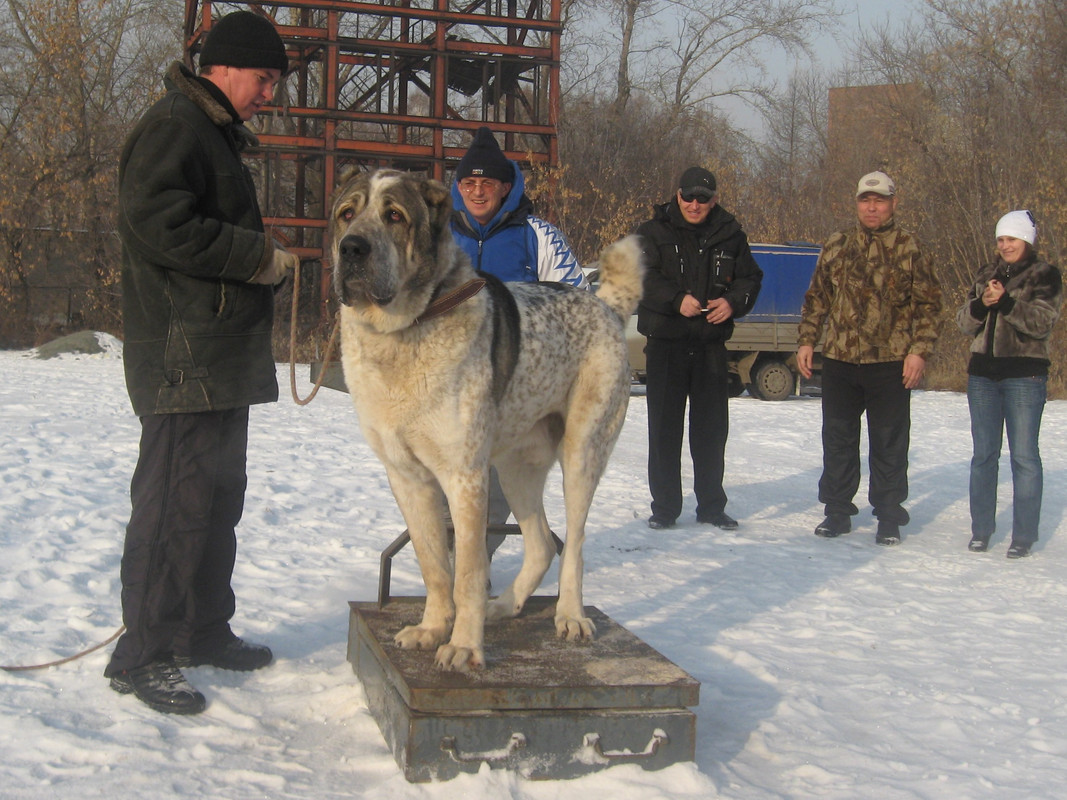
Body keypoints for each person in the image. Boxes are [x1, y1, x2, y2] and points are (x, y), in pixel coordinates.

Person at [104, 11, 299, 715]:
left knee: (216, 501)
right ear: (222, 67)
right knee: (170, 509)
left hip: (216, 356)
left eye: (273, 81)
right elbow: (156, 223)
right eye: (263, 78)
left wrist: (263, 263)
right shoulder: (174, 127)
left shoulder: (208, 133)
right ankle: (143, 655)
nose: (268, 93)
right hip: (183, 359)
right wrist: (254, 257)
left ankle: (200, 630)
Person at [449, 126, 587, 543]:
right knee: (442, 482)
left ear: (505, 186)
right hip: (444, 383)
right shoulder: (435, 234)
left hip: (512, 382)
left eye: (486, 183)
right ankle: (444, 568)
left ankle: (476, 565)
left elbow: (575, 305)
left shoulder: (538, 236)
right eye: (468, 183)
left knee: (494, 483)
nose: (476, 192)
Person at [797, 171, 942, 546]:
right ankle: (837, 510)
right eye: (865, 200)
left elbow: (929, 306)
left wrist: (919, 352)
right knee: (838, 438)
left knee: (889, 442)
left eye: (879, 200)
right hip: (842, 360)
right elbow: (818, 298)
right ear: (857, 203)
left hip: (891, 362)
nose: (872, 207)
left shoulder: (910, 247)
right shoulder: (837, 244)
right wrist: (807, 340)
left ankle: (889, 515)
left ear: (894, 203)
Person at [635, 167, 763, 531]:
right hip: (666, 345)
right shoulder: (652, 232)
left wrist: (733, 303)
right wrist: (676, 300)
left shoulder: (731, 235)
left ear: (714, 200)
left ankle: (711, 506)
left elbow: (751, 278)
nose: (695, 204)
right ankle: (664, 509)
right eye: (689, 197)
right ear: (678, 196)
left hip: (709, 348)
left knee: (710, 432)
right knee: (664, 430)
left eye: (703, 199)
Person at [956, 210, 1062, 559]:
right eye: (1001, 240)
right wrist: (980, 305)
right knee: (983, 457)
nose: (1005, 246)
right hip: (983, 376)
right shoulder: (986, 274)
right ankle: (981, 530)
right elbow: (963, 323)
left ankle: (1024, 535)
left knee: (1024, 457)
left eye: (1012, 239)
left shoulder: (1045, 274)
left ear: (1027, 240)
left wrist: (1007, 302)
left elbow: (1042, 322)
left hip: (1024, 376)